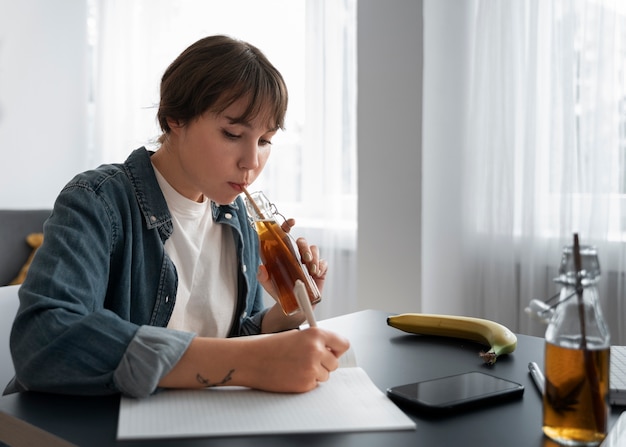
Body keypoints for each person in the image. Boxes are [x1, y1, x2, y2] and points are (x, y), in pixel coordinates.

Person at [5, 35, 350, 398]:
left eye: (265, 141)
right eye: (232, 133)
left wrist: (285, 315)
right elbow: (43, 340)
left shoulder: (239, 219)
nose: (252, 161)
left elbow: (225, 341)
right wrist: (254, 361)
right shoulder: (97, 201)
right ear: (175, 119)